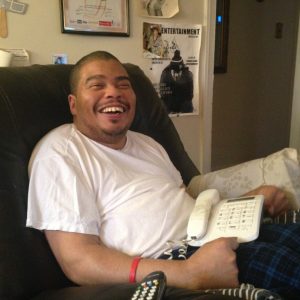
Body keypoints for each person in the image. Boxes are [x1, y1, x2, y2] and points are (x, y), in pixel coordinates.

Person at [26, 51, 300, 299]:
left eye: (123, 84)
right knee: (288, 268)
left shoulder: (147, 143)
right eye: (97, 85)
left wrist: (246, 202)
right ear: (73, 104)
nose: (114, 93)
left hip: (211, 235)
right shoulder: (60, 153)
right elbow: (79, 262)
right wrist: (189, 273)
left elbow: (185, 202)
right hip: (174, 259)